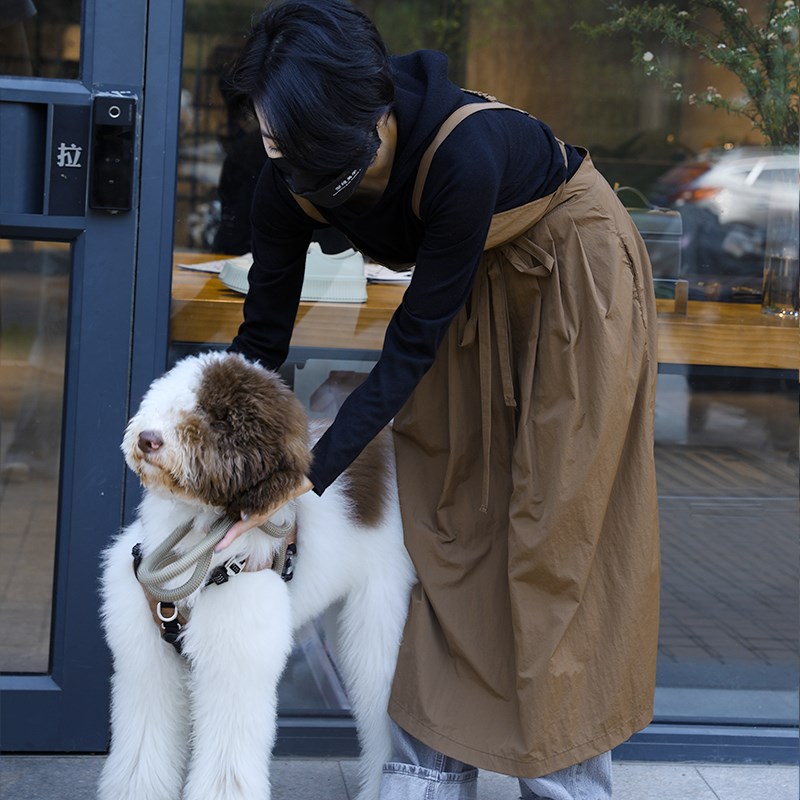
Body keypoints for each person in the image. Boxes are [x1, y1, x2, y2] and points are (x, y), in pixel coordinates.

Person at [217, 1, 661, 797]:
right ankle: (428, 767)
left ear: (356, 121)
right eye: (267, 139)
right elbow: (262, 339)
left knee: (553, 526)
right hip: (472, 281)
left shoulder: (465, 152)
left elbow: (409, 346)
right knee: (445, 512)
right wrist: (229, 461)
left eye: (287, 140)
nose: (272, 154)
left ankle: (563, 779)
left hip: (571, 272)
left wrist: (302, 478)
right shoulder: (290, 179)